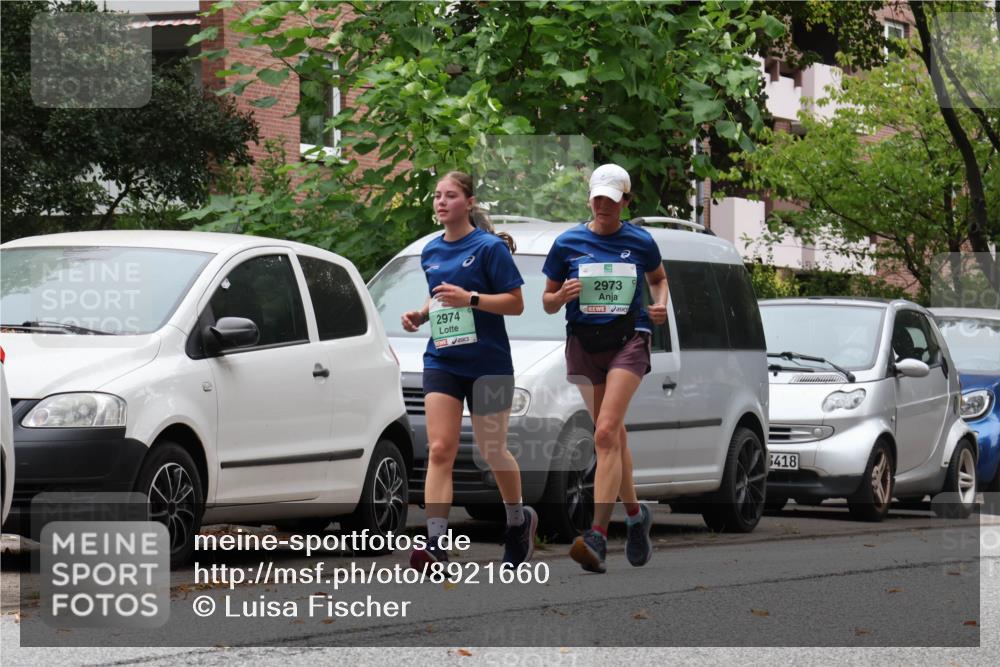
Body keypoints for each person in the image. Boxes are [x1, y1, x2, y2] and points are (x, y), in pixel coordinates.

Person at [402, 171, 538, 569]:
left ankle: (517, 522)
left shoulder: (490, 248)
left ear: (470, 202)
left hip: (489, 364)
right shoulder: (430, 251)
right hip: (443, 359)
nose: (441, 202)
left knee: (492, 451)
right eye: (437, 196)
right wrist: (421, 315)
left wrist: (471, 299)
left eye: (450, 196)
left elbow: (515, 303)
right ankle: (436, 544)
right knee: (440, 449)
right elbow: (439, 295)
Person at [541, 163, 669, 573]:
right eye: (597, 198)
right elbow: (545, 300)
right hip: (583, 343)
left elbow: (660, 279)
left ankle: (597, 533)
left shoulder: (640, 242)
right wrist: (561, 295)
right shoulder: (567, 243)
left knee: (605, 432)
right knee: (612, 437)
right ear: (589, 198)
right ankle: (635, 516)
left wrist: (661, 304)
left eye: (612, 200)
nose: (603, 206)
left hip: (630, 339)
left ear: (626, 202)